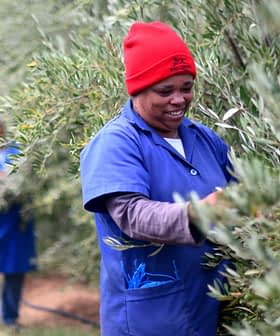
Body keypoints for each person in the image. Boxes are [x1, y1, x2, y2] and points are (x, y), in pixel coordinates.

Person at [80, 21, 236, 336]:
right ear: (137, 89)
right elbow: (131, 215)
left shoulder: (204, 139)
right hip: (150, 322)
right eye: (165, 90)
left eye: (186, 88)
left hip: (209, 312)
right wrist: (198, 213)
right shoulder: (116, 142)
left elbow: (241, 194)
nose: (179, 99)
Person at [0, 120, 36, 328]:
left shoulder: (17, 151)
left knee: (14, 270)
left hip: (16, 223)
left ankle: (10, 318)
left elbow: (24, 181)